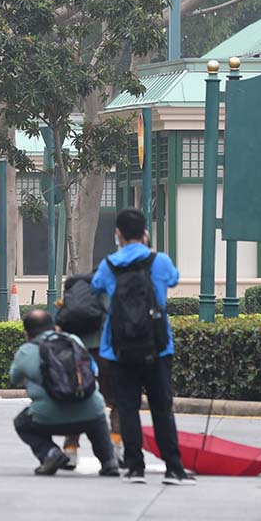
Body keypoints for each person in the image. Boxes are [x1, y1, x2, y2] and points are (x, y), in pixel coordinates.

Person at [91, 208, 196, 486]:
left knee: (127, 407)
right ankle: (173, 468)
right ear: (145, 233)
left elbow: (96, 286)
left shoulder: (109, 264)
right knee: (162, 408)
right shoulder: (159, 261)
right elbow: (173, 279)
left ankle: (135, 467)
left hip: (119, 348)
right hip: (158, 347)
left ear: (118, 234)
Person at [9, 309, 120, 476]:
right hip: (90, 415)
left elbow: (14, 378)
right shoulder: (74, 340)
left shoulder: (26, 351)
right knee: (97, 416)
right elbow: (90, 368)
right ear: (54, 327)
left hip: (48, 418)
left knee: (21, 423)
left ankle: (50, 453)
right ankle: (108, 460)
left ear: (27, 333)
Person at [56, 273, 121, 468]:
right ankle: (116, 448)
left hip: (77, 354)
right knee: (118, 401)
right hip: (106, 353)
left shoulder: (72, 293)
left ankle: (70, 450)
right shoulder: (106, 291)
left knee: (78, 400)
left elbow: (61, 323)